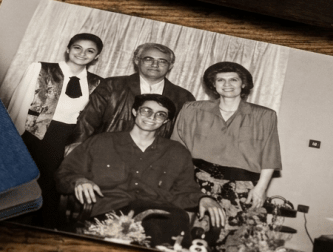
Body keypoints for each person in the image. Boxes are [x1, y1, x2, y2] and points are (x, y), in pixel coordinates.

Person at [56, 94, 225, 246]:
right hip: (108, 214)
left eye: (160, 114)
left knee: (169, 219)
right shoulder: (101, 142)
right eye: (146, 111)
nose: (152, 117)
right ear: (135, 112)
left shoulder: (177, 152)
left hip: (159, 217)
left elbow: (185, 190)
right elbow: (65, 173)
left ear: (166, 121)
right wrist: (79, 180)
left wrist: (204, 198)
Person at [171, 61, 282, 249]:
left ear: (243, 84)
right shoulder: (192, 109)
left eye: (233, 80)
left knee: (236, 241)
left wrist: (261, 188)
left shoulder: (264, 115)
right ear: (213, 85)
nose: (227, 84)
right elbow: (176, 149)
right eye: (220, 80)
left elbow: (270, 154)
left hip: (242, 188)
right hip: (196, 183)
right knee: (188, 239)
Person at [5, 32, 104, 227]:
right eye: (77, 48)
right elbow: (19, 103)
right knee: (24, 182)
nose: (82, 53)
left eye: (90, 51)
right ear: (68, 49)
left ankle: (38, 227)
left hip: (66, 139)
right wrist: (13, 137)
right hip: (34, 134)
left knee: (51, 186)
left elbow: (90, 118)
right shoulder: (41, 69)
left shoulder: (97, 82)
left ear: (96, 57)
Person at [70, 43, 195, 150]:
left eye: (162, 61)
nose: (155, 64)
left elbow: (185, 135)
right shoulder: (112, 85)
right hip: (107, 150)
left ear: (171, 65)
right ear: (136, 61)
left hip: (154, 157)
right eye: (148, 59)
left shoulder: (183, 97)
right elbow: (88, 120)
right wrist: (78, 144)